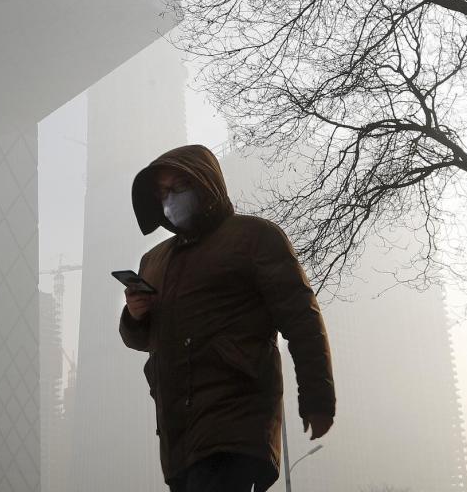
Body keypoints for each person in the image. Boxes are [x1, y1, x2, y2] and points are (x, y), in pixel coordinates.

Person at [119, 144, 335, 492]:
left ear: (205, 185)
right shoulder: (154, 260)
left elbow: (302, 321)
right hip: (178, 435)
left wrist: (318, 399)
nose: (169, 199)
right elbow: (142, 339)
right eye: (162, 192)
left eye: (178, 188)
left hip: (235, 421)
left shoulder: (254, 238)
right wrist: (134, 315)